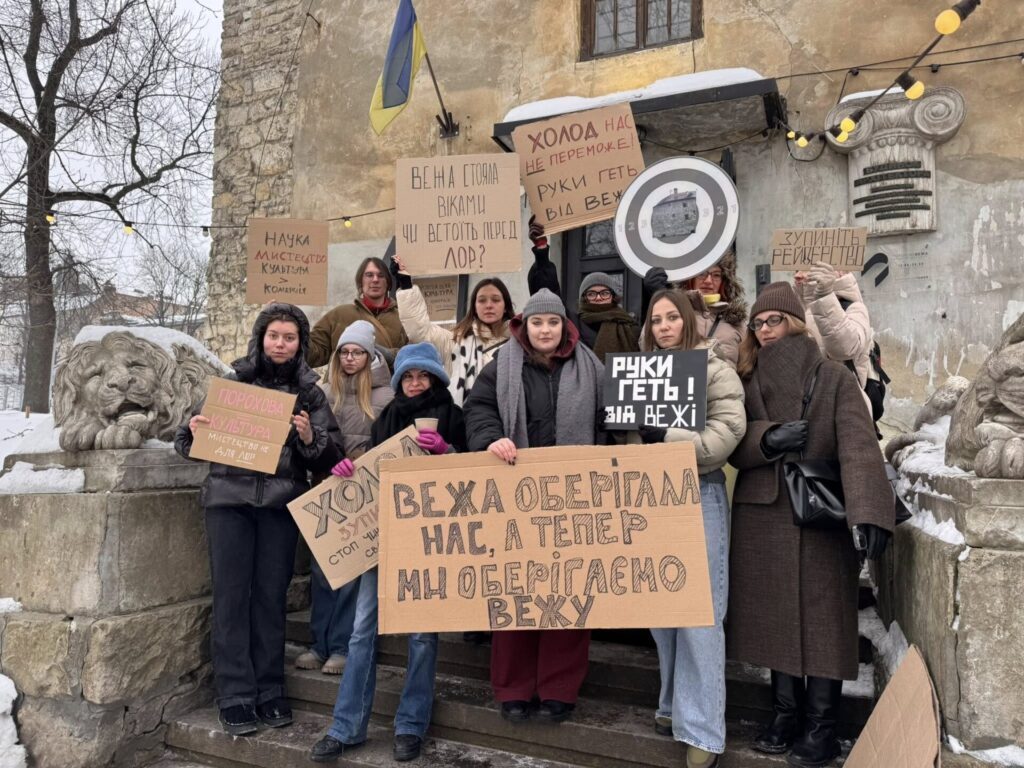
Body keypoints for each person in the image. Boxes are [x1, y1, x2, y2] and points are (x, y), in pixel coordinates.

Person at [729, 282, 894, 767]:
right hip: (763, 512)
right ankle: (784, 714)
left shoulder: (833, 376)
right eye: (757, 324)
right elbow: (730, 440)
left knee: (826, 621)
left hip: (820, 513)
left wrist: (869, 513)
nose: (764, 331)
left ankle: (821, 725)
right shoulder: (745, 378)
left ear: (795, 322)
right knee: (774, 620)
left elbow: (858, 446)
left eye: (773, 320)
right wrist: (767, 437)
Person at [174, 303, 343, 736]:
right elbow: (185, 441)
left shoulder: (311, 394)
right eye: (274, 336)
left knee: (270, 599)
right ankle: (234, 693)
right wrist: (195, 428)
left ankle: (270, 688)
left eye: (289, 337)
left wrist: (310, 437)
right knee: (231, 598)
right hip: (229, 505)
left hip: (280, 508)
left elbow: (333, 455)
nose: (281, 344)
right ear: (261, 339)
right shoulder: (233, 384)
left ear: (300, 344)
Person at [309, 342, 466, 764]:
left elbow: (474, 477)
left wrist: (446, 452)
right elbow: (370, 475)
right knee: (362, 632)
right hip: (384, 539)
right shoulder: (388, 417)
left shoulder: (454, 416)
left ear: (435, 378)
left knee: (421, 636)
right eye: (408, 377)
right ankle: (346, 727)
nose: (415, 384)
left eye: (423, 376)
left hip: (432, 543)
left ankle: (410, 726)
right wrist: (347, 469)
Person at [463, 288, 605, 723]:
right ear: (524, 326)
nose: (545, 330)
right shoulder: (500, 366)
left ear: (565, 326)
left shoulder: (593, 367)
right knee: (517, 593)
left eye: (553, 323)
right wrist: (492, 438)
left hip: (575, 498)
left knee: (568, 592)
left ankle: (560, 688)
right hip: (516, 496)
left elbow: (609, 419)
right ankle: (513, 687)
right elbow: (478, 408)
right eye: (538, 323)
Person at [628, 290, 745, 768]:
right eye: (656, 319)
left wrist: (665, 435)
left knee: (699, 613)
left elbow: (725, 435)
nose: (663, 326)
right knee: (662, 609)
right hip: (650, 495)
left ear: (690, 320)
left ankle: (702, 729)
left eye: (672, 317)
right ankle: (672, 703)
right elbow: (633, 438)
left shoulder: (714, 368)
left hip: (698, 492)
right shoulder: (637, 372)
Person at [295, 320, 394, 675]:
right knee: (322, 573)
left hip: (365, 493)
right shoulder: (324, 392)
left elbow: (389, 443)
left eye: (357, 352)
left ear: (370, 356)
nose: (350, 359)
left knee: (351, 573)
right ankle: (318, 644)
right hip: (326, 487)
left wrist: (364, 463)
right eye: (345, 352)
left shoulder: (386, 396)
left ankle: (342, 646)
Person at [390, 255, 513, 406]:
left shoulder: (520, 344)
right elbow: (420, 331)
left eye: (495, 300)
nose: (488, 305)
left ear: (506, 305)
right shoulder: (454, 342)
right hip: (462, 422)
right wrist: (406, 284)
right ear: (474, 306)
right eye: (481, 300)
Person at [526, 217, 639, 361]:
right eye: (592, 293)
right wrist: (541, 249)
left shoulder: (629, 327)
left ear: (613, 296)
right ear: (584, 298)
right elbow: (547, 293)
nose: (598, 298)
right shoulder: (572, 323)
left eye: (604, 293)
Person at [793, 261, 875, 417]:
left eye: (807, 268)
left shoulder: (854, 308)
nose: (797, 275)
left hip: (841, 408)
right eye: (796, 269)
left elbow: (846, 348)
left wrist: (823, 296)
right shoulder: (796, 308)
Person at [642, 250, 748, 368]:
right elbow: (646, 346)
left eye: (716, 275)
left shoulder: (737, 321)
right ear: (689, 278)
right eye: (701, 273)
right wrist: (662, 300)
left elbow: (747, 367)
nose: (708, 281)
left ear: (724, 281)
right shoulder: (675, 313)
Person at [307, 257, 409, 368]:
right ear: (360, 281)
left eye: (381, 275)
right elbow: (314, 354)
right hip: (342, 384)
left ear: (388, 282)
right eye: (369, 275)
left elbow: (414, 355)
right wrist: (295, 333)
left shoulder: (403, 317)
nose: (375, 279)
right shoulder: (340, 314)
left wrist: (389, 355)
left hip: (386, 384)